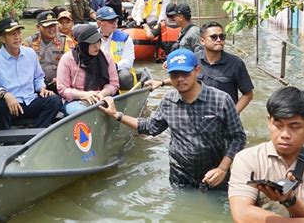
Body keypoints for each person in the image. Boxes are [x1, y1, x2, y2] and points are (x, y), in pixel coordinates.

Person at [100, 49, 246, 188]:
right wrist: (117, 115)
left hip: (215, 176)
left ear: (197, 71)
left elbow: (238, 137)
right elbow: (150, 127)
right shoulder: (169, 101)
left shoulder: (221, 100)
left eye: (185, 73)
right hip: (180, 177)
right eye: (175, 75)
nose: (180, 79)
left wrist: (222, 168)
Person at [228, 86, 304, 222]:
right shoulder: (247, 159)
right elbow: (242, 215)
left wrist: (290, 200)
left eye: (295, 127)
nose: (285, 135)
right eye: (278, 125)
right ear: (269, 121)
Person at [0, 18, 62, 130]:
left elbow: (38, 78)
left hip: (30, 101)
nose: (17, 37)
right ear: (2, 38)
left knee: (54, 100)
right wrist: (6, 95)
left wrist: (42, 89)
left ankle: (36, 133)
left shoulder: (30, 53)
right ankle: (8, 139)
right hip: (10, 106)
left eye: (18, 33)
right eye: (12, 34)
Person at [57, 25, 119, 115]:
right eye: (92, 43)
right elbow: (62, 89)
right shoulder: (67, 59)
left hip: (101, 98)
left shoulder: (106, 56)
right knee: (83, 112)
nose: (97, 46)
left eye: (98, 42)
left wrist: (102, 94)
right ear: (83, 44)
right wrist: (84, 95)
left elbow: (114, 84)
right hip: (76, 101)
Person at [197, 21, 254, 113]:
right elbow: (183, 81)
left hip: (225, 121)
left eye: (222, 36)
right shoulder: (194, 60)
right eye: (214, 37)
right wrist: (164, 82)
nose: (219, 40)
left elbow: (248, 94)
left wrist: (232, 115)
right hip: (199, 117)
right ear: (202, 41)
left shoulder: (236, 63)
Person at [23, 11, 75, 92]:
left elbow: (74, 66)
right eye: (47, 26)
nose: (52, 29)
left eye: (54, 25)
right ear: (38, 27)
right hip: (35, 86)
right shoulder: (28, 43)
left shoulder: (66, 41)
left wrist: (61, 78)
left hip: (59, 84)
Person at [96, 6, 135, 90]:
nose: (114, 23)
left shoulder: (125, 38)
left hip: (118, 70)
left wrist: (113, 66)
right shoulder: (91, 38)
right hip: (97, 71)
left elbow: (128, 61)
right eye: (110, 21)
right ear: (99, 23)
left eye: (115, 20)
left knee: (125, 77)